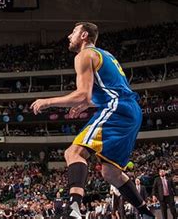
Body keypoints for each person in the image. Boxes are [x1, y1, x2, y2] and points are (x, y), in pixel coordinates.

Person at [30, 22, 154, 218]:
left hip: (117, 109)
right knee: (111, 173)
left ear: (84, 35)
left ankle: (73, 208)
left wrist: (47, 101)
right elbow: (110, 90)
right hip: (130, 110)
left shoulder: (84, 55)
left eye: (73, 32)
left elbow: (82, 95)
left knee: (73, 152)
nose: (69, 36)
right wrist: (89, 104)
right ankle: (146, 213)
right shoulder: (106, 55)